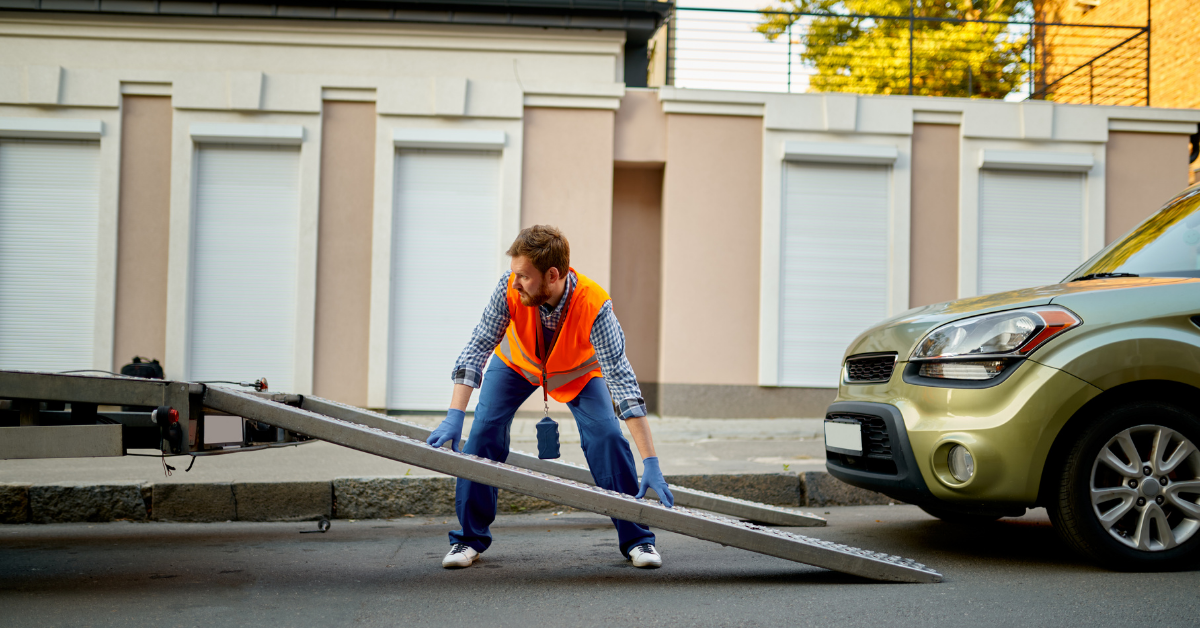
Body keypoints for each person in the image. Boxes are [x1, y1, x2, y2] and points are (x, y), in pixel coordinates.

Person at [426, 224, 674, 569]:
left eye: (524, 276)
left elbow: (622, 382)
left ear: (553, 275)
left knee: (607, 437)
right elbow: (478, 345)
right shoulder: (507, 288)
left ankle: (637, 538)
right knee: (482, 433)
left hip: (577, 373)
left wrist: (650, 461)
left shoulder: (595, 305)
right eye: (515, 274)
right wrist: (455, 414)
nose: (515, 282)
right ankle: (468, 539)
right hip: (517, 365)